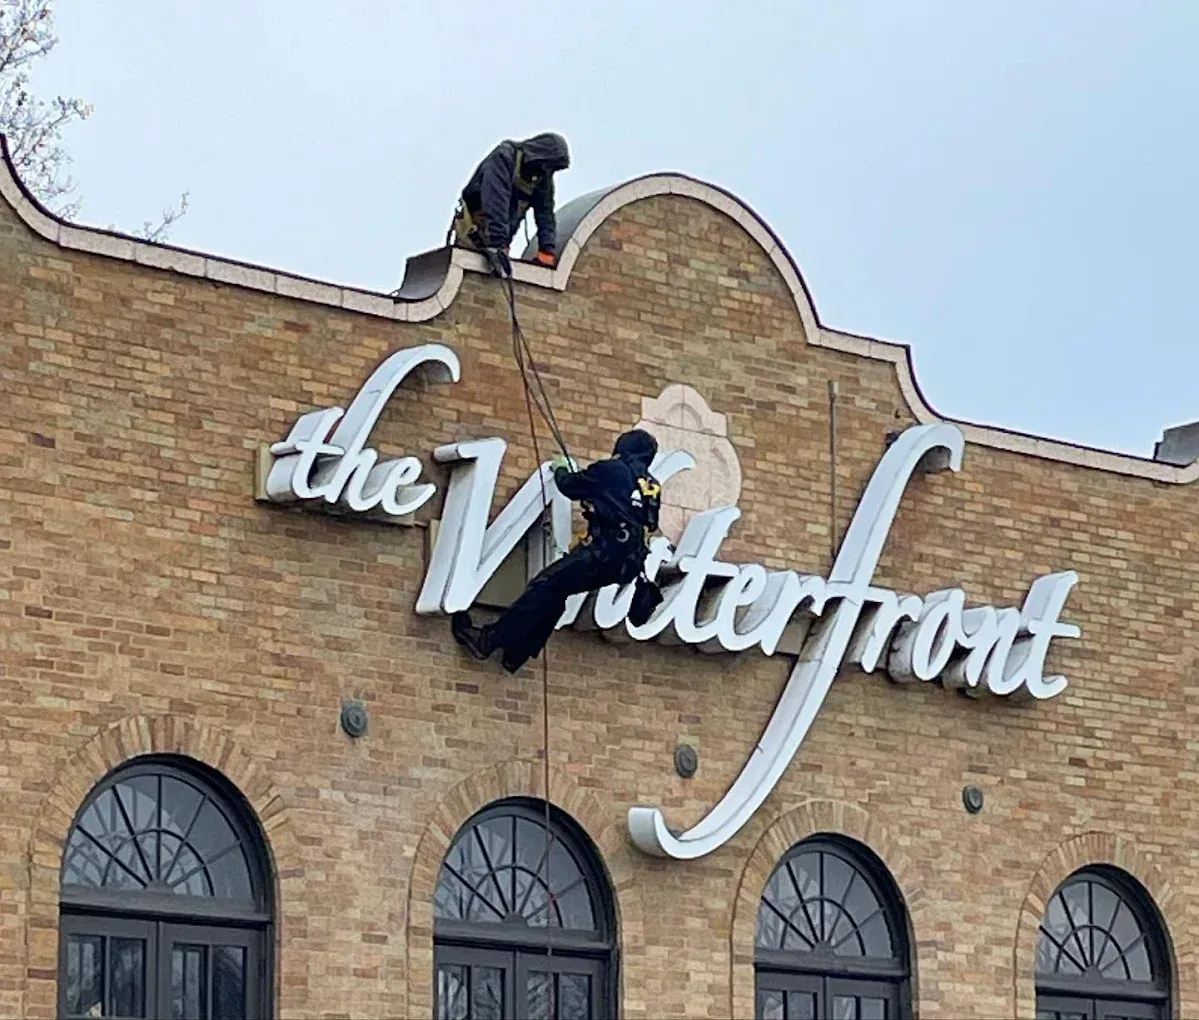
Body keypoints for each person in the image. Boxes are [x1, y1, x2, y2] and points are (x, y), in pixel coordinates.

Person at [452, 429, 662, 673]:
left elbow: (570, 486)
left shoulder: (613, 470)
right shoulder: (651, 486)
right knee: (556, 592)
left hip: (604, 553)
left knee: (545, 585)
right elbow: (639, 518)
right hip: (627, 564)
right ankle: (517, 654)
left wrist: (561, 470)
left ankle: (488, 641)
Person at [449, 132, 571, 278]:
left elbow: (545, 215)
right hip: (473, 231)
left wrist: (547, 250)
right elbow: (496, 201)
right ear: (538, 157)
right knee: (469, 275)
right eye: (547, 166)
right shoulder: (504, 158)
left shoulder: (542, 175)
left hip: (501, 236)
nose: (547, 171)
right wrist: (498, 244)